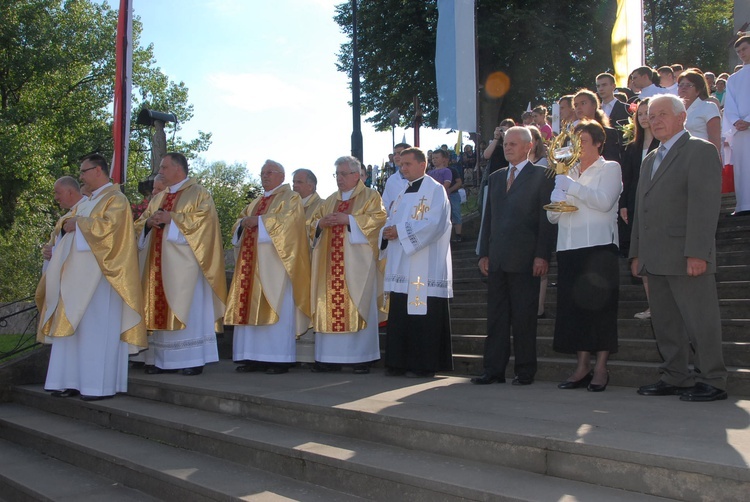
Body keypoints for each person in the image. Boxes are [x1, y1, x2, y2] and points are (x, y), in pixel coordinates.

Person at [630, 94, 727, 402]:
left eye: (662, 114)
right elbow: (640, 209)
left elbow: (705, 206)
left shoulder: (699, 150)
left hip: (687, 255)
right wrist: (636, 252)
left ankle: (712, 379)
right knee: (666, 323)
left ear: (682, 117)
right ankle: (676, 376)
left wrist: (698, 252)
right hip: (654, 256)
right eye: (650, 115)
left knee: (700, 321)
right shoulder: (649, 158)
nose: (655, 120)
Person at [37, 154, 147, 400]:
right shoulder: (87, 202)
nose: (81, 177)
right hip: (74, 278)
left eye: (84, 172)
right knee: (74, 330)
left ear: (98, 170)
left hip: (101, 279)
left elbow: (110, 232)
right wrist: (54, 247)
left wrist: (80, 224)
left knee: (97, 331)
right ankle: (69, 381)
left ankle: (98, 386)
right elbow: (66, 231)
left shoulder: (116, 200)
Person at [473, 127, 555, 386]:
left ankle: (524, 370)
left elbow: (546, 220)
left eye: (513, 144)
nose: (507, 148)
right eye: (505, 144)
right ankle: (493, 370)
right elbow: (489, 218)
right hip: (497, 259)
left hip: (526, 259)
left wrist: (542, 255)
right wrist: (484, 252)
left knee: (524, 317)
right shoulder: (496, 177)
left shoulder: (543, 176)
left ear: (528, 146)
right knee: (496, 318)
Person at [135, 152, 227, 376]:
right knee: (159, 305)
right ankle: (161, 360)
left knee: (190, 308)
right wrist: (149, 222)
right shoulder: (158, 197)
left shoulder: (199, 194)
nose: (161, 172)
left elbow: (204, 225)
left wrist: (172, 219)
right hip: (157, 264)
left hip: (186, 267)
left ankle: (193, 359)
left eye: (164, 168)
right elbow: (139, 224)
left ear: (179, 169)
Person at [548, 121, 622, 392]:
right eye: (575, 143)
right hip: (569, 248)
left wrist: (572, 186)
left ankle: (601, 368)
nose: (578, 148)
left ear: (599, 143)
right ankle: (581, 366)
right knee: (574, 310)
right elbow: (552, 216)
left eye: (584, 142)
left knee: (600, 310)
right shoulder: (567, 171)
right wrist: (559, 191)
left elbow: (603, 202)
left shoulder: (610, 168)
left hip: (598, 248)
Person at [226, 160, 311, 374]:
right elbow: (240, 222)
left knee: (277, 306)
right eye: (262, 173)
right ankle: (251, 356)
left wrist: (260, 222)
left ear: (281, 176)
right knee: (248, 307)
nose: (265, 176)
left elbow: (290, 224)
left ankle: (278, 359)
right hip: (250, 264)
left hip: (275, 265)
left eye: (270, 173)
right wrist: (243, 224)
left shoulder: (290, 198)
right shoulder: (255, 202)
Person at [309, 156, 386, 374]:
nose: (339, 179)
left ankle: (361, 358)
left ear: (356, 175)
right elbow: (311, 225)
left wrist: (349, 220)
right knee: (329, 304)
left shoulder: (371, 196)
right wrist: (319, 224)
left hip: (357, 266)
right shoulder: (329, 200)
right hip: (329, 265)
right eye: (337, 174)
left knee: (357, 304)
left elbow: (379, 220)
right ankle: (327, 357)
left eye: (343, 174)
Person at [380, 147, 453, 377]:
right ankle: (398, 362)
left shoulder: (435, 190)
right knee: (401, 311)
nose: (403, 169)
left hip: (425, 262)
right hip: (401, 263)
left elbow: (434, 224)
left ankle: (423, 364)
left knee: (423, 314)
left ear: (423, 165)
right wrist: (386, 231)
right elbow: (391, 219)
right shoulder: (402, 191)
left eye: (407, 164)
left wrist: (399, 232)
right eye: (401, 165)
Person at [620, 98, 659, 320]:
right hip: (635, 204)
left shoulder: (663, 144)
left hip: (657, 204)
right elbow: (626, 178)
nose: (644, 117)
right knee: (641, 255)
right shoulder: (632, 147)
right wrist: (623, 204)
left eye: (648, 113)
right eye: (641, 114)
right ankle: (652, 305)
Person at [291, 167, 323, 363]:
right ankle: (291, 354)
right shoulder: (288, 205)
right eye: (294, 182)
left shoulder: (321, 205)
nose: (294, 185)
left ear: (311, 185)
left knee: (309, 304)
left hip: (311, 265)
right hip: (291, 266)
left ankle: (309, 356)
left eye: (299, 182)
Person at [724, 35, 750, 216]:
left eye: (744, 49)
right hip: (741, 131)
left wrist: (749, 119)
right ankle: (744, 204)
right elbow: (730, 104)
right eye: (738, 51)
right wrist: (736, 121)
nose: (741, 53)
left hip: (746, 124)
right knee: (743, 167)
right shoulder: (733, 79)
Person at [41, 177, 84, 272]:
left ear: (70, 192)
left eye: (58, 193)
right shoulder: (67, 215)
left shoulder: (88, 211)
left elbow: (81, 245)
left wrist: (54, 252)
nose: (56, 197)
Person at [677, 69, 721, 153]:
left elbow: (715, 140)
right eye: (681, 85)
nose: (683, 88)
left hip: (701, 155)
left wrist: (714, 161)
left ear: (698, 90)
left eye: (688, 85)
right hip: (680, 157)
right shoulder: (675, 109)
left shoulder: (708, 107)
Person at [573, 89, 621, 164]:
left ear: (594, 105)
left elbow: (611, 161)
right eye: (576, 105)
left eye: (583, 103)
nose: (578, 107)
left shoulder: (609, 133)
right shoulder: (572, 135)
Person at [381, 142, 411, 216]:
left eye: (400, 153)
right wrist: (390, 208)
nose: (396, 156)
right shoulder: (391, 180)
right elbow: (384, 205)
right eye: (394, 154)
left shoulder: (419, 178)